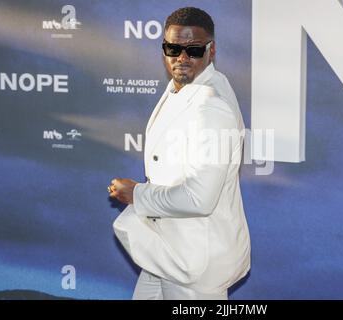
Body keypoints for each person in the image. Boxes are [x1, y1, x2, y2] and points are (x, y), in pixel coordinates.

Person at [109, 7, 250, 300]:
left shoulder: (211, 106)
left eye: (193, 49)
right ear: (164, 49)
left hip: (193, 264)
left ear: (211, 51)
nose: (182, 58)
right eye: (173, 48)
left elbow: (200, 198)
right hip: (168, 246)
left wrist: (137, 195)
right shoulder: (187, 86)